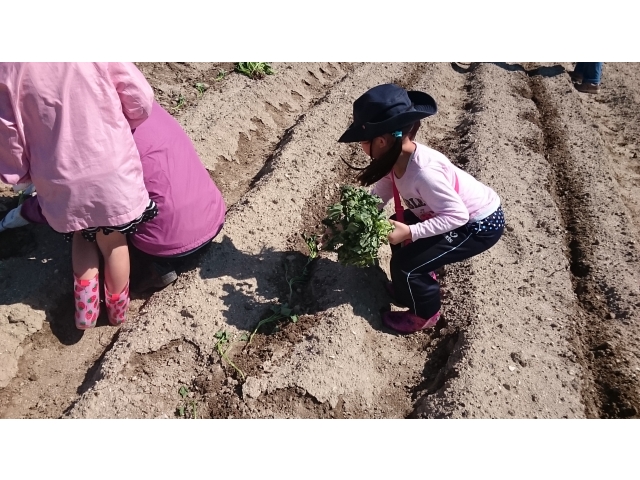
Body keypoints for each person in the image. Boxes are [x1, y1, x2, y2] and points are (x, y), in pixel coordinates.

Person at [1, 101, 226, 293]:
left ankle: (155, 268)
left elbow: (67, 200)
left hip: (165, 243)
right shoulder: (142, 107)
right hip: (213, 215)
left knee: (102, 235)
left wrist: (19, 214)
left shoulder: (93, 140)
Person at [337, 84, 505, 334]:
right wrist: (355, 219)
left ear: (381, 141)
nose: (360, 146)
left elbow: (457, 215)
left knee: (407, 265)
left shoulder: (424, 173)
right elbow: (379, 195)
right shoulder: (394, 160)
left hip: (477, 224)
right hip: (443, 212)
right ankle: (410, 290)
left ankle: (424, 314)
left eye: (362, 141)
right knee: (395, 222)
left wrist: (411, 233)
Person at [0, 63, 156, 330]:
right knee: (114, 242)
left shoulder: (9, 66)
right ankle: (117, 313)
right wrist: (127, 121)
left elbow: (9, 132)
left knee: (81, 236)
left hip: (59, 175)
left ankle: (86, 314)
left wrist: (20, 172)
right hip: (110, 165)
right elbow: (139, 96)